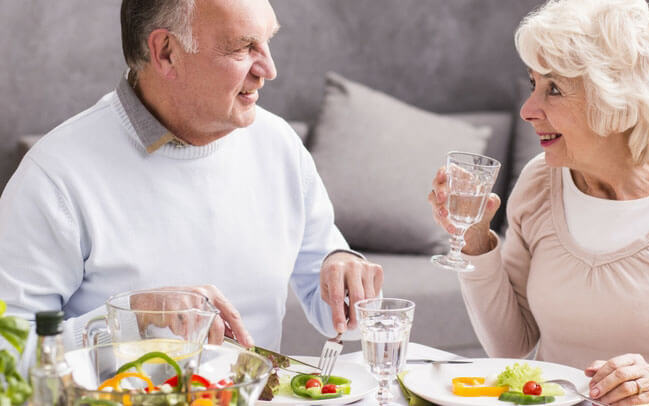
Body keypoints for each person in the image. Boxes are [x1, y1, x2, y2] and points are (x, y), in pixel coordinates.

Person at [0, 0, 382, 353]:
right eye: (243, 46)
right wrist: (128, 319)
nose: (269, 68)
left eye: (267, 41)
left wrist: (343, 269)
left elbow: (340, 315)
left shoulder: (278, 143)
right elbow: (7, 357)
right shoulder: (56, 175)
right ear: (166, 52)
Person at [428, 0, 649, 404]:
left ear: (617, 100)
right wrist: (475, 240)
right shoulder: (539, 183)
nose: (528, 110)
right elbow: (509, 345)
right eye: (533, 84)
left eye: (554, 89)